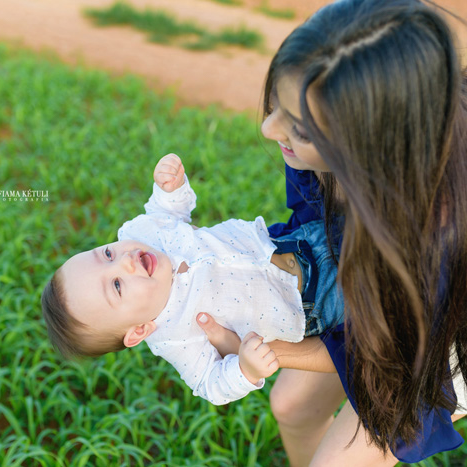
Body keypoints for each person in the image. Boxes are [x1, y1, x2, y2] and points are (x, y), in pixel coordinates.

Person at [195, 0, 467, 464]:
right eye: (276, 105)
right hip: (397, 262)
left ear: (369, 144)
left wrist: (267, 348)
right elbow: (319, 240)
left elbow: (387, 352)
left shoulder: (436, 231)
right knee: (290, 405)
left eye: (298, 128)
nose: (268, 129)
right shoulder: (366, 115)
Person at [41, 154, 345, 405]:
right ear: (138, 332)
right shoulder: (175, 338)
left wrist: (169, 188)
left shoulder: (141, 235)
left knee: (363, 230)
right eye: (117, 285)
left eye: (106, 254)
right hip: (314, 302)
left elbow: (165, 211)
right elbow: (209, 384)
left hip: (299, 242)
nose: (125, 262)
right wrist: (244, 369)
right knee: (378, 291)